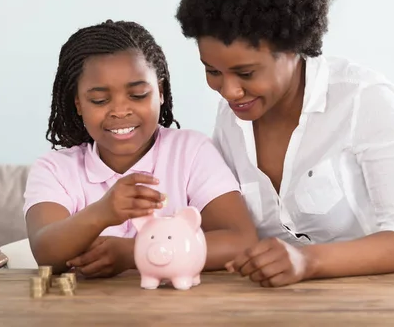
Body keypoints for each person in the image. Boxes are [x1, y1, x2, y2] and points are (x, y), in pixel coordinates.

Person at [175, 0, 394, 287]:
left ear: (294, 46)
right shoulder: (231, 119)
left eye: (246, 73)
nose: (228, 90)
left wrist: (306, 261)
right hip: (294, 307)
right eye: (212, 71)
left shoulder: (363, 97)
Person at [23, 19, 258, 276]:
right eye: (99, 100)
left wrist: (133, 252)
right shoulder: (55, 169)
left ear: (160, 92)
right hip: (86, 314)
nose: (121, 111)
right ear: (78, 103)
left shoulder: (191, 152)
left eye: (138, 95)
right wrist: (102, 213)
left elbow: (240, 241)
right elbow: (45, 253)